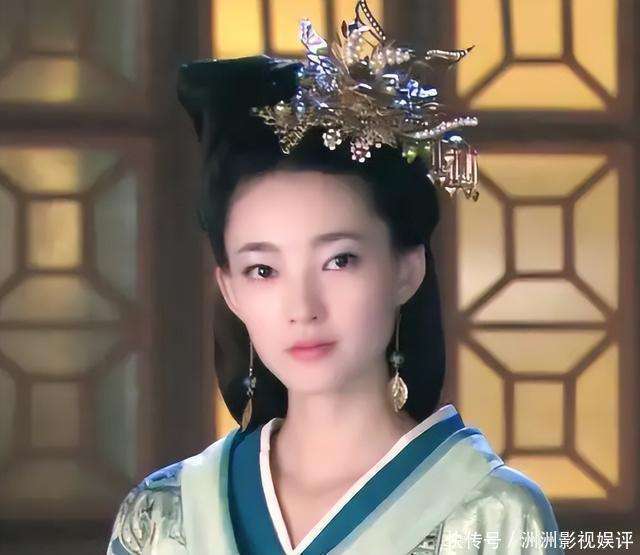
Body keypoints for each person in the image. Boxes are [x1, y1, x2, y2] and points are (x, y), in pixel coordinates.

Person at [107, 2, 562, 553]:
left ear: (406, 269)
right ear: (230, 290)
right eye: (263, 270)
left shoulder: (493, 514)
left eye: (339, 260)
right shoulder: (163, 516)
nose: (303, 307)